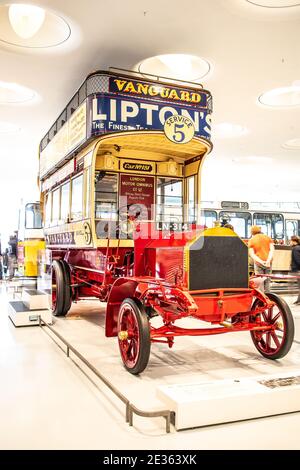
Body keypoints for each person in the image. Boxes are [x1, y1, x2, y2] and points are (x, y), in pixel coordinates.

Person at [248, 225, 274, 293]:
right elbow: (272, 250)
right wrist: (268, 261)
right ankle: (269, 297)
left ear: (252, 232)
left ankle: (262, 300)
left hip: (258, 263)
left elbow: (252, 254)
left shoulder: (251, 240)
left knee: (260, 282)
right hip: (269, 263)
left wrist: (261, 262)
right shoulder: (268, 238)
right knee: (268, 281)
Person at [290, 235, 300, 305]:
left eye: (290, 241)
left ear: (294, 241)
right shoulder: (298, 248)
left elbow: (297, 260)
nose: (290, 242)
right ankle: (298, 300)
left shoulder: (295, 248)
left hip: (297, 270)